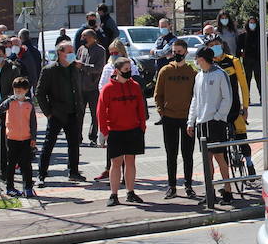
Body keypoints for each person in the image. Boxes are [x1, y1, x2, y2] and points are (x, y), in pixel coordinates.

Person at [98, 56, 148, 206]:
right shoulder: (108, 88)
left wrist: (142, 126)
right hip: (115, 130)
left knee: (131, 161)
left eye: (130, 69)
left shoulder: (135, 86)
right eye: (126, 69)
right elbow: (101, 111)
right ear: (117, 71)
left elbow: (141, 107)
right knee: (116, 163)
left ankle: (130, 192)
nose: (128, 72)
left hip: (133, 129)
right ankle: (114, 194)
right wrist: (104, 132)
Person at [35, 41, 88, 185]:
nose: (72, 55)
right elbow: (40, 93)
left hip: (73, 112)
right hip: (57, 113)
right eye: (69, 52)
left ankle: (74, 172)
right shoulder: (49, 70)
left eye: (72, 52)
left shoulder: (74, 68)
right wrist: (48, 113)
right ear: (60, 53)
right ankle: (41, 174)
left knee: (74, 144)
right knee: (48, 144)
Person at [188, 46, 235, 205]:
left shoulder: (220, 74)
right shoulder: (199, 76)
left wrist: (218, 117)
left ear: (203, 59)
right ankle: (210, 192)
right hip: (201, 123)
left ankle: (228, 190)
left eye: (198, 59)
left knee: (220, 157)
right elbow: (195, 99)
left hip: (216, 123)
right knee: (206, 159)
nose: (196, 61)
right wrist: (191, 121)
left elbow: (227, 98)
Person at [154, 39, 197, 199]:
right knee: (171, 154)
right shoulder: (165, 71)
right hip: (169, 118)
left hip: (187, 119)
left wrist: (193, 117)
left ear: (186, 52)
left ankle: (188, 185)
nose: (176, 54)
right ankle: (171, 186)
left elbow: (196, 95)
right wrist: (162, 112)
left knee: (188, 154)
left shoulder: (192, 72)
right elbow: (158, 94)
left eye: (179, 51)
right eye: (174, 51)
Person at [210, 33, 253, 173]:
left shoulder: (233, 61)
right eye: (211, 46)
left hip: (234, 106)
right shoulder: (208, 64)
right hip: (218, 110)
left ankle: (249, 162)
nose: (214, 47)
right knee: (222, 144)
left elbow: (243, 85)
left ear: (222, 45)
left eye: (216, 44)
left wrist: (245, 107)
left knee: (241, 136)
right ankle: (227, 174)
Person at [0, 75, 38, 198]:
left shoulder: (29, 104)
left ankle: (28, 187)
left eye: (20, 91)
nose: (17, 93)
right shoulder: (10, 102)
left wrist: (33, 138)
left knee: (26, 165)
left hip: (26, 138)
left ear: (26, 90)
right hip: (11, 138)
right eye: (15, 90)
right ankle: (10, 188)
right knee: (11, 164)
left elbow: (33, 122)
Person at [77, 29, 107, 145]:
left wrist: (83, 66)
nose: (82, 39)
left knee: (95, 114)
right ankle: (78, 138)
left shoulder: (100, 50)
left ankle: (93, 137)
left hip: (93, 87)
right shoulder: (81, 49)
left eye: (84, 36)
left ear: (92, 38)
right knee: (79, 114)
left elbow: (99, 68)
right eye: (82, 36)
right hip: (80, 87)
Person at [0, 38, 26, 108]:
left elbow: (15, 90)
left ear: (5, 55)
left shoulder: (13, 70)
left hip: (9, 107)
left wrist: (1, 105)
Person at [237, 14, 262, 103]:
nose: (252, 24)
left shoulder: (260, 35)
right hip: (247, 60)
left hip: (258, 60)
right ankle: (247, 98)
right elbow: (238, 49)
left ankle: (262, 97)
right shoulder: (243, 36)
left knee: (259, 79)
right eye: (251, 23)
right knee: (247, 79)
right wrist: (241, 54)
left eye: (254, 23)